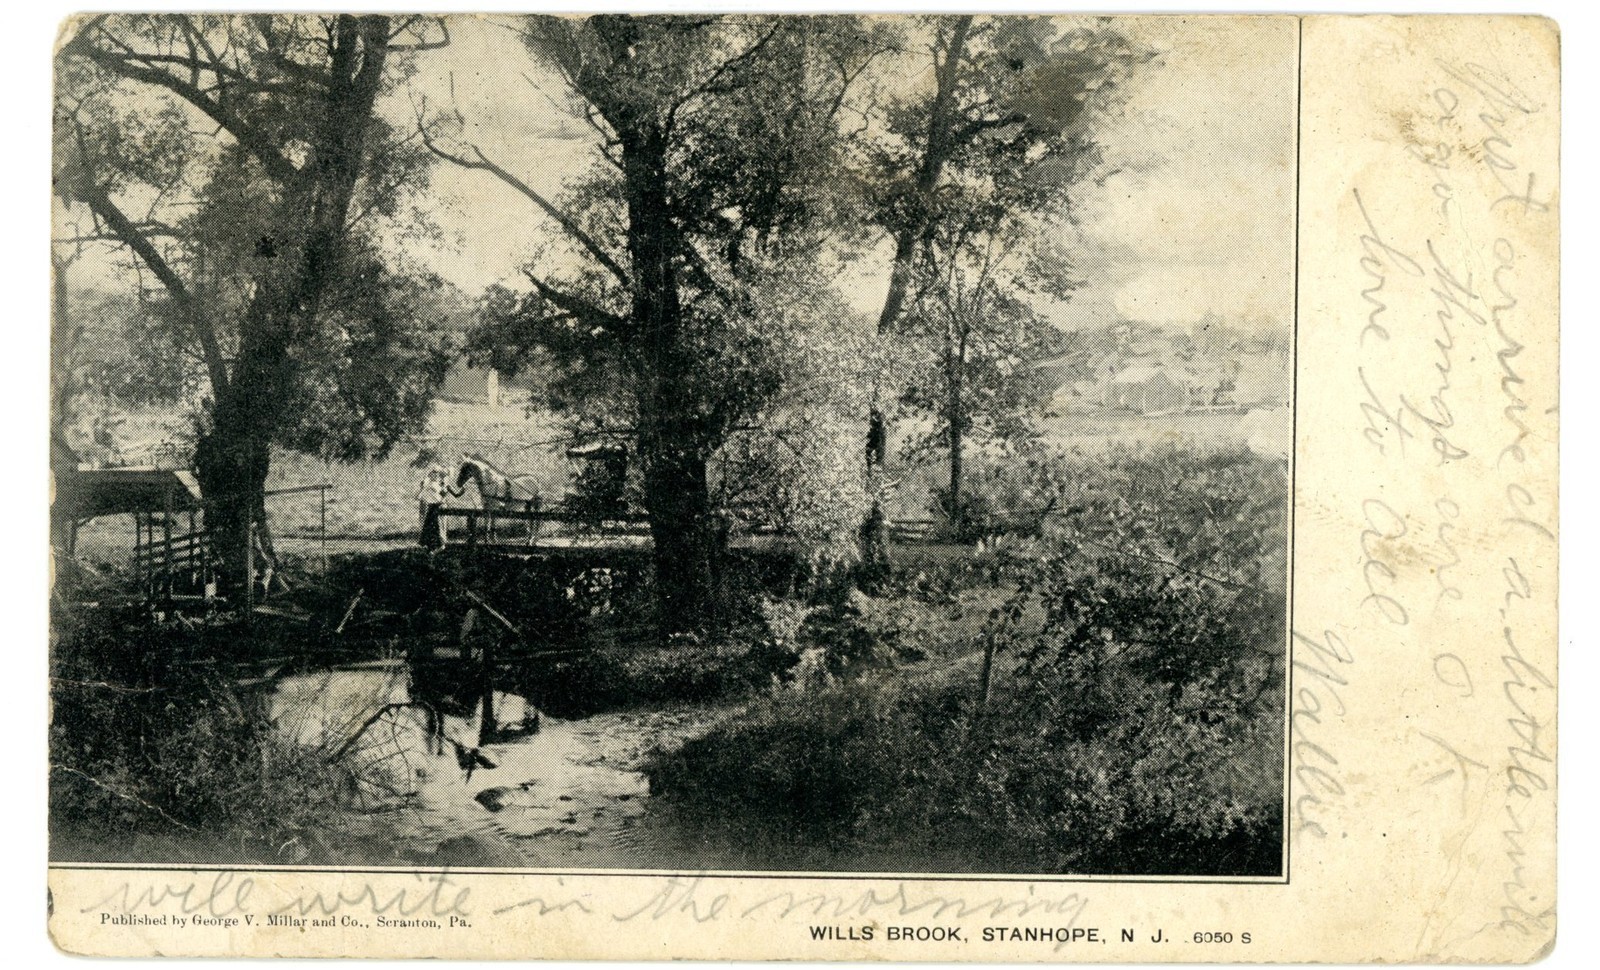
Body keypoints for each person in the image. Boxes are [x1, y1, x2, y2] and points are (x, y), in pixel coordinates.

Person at [417, 466, 461, 550]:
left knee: (440, 525)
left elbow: (454, 495)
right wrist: (446, 488)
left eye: (439, 475)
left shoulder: (440, 484)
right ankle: (435, 545)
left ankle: (439, 544)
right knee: (435, 525)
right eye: (437, 475)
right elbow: (441, 494)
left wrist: (459, 491)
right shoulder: (433, 484)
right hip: (434, 506)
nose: (439, 477)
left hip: (438, 506)